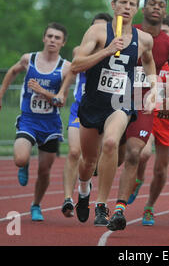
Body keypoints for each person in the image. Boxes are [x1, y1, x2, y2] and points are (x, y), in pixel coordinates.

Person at [71, 0, 157, 226]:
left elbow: (149, 65)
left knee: (110, 143)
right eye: (123, 3)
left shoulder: (144, 39)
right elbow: (76, 65)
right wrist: (107, 50)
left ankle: (101, 205)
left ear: (137, 9)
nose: (127, 7)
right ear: (113, 5)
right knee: (88, 161)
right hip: (92, 103)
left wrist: (153, 90)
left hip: (120, 103)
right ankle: (84, 189)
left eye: (132, 4)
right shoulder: (98, 31)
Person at [106, 0, 169, 231]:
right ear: (143, 9)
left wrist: (166, 101)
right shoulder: (129, 31)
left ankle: (119, 209)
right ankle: (91, 185)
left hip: (144, 102)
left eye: (161, 5)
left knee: (135, 153)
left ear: (165, 11)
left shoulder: (168, 45)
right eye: (151, 4)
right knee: (111, 152)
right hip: (117, 99)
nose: (156, 8)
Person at [0, 22, 71, 221]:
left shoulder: (66, 68)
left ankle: (36, 205)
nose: (52, 40)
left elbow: (60, 101)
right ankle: (24, 164)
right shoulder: (28, 59)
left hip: (50, 125)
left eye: (57, 38)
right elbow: (12, 72)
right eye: (49, 36)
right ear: (43, 38)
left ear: (63, 43)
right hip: (29, 120)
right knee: (20, 158)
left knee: (44, 170)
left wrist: (43, 91)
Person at [57, 13, 113, 218]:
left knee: (92, 158)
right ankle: (67, 199)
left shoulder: (116, 52)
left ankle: (85, 185)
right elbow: (74, 70)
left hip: (105, 108)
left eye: (104, 29)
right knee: (73, 151)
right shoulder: (80, 50)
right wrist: (63, 91)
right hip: (81, 107)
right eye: (96, 29)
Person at [127, 15, 169, 206]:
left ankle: (149, 206)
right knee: (143, 153)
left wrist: (168, 103)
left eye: (165, 33)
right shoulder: (147, 57)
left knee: (160, 168)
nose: (160, 38)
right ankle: (137, 179)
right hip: (146, 109)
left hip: (166, 115)